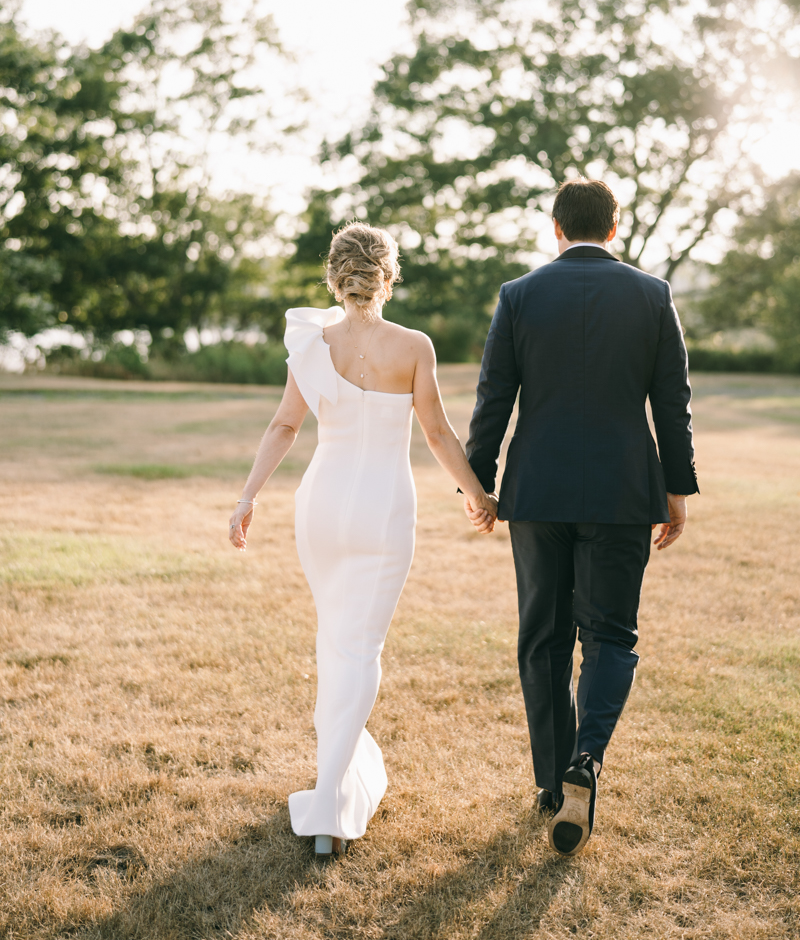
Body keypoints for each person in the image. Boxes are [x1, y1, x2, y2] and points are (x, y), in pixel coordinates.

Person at [228, 222, 495, 856]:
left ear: (334, 275)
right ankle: (328, 810)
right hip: (381, 510)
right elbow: (436, 434)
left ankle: (337, 787)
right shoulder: (414, 346)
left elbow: (284, 425)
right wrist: (478, 495)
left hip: (320, 506)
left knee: (336, 642)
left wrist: (247, 497)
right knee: (358, 648)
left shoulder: (313, 345)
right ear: (389, 275)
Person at [463, 178, 698, 857]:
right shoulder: (653, 295)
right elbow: (672, 402)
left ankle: (549, 783)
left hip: (537, 492)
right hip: (624, 491)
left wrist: (482, 483)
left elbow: (493, 398)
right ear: (615, 229)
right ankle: (585, 763)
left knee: (542, 638)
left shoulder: (519, 295)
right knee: (610, 637)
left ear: (556, 228)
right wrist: (676, 488)